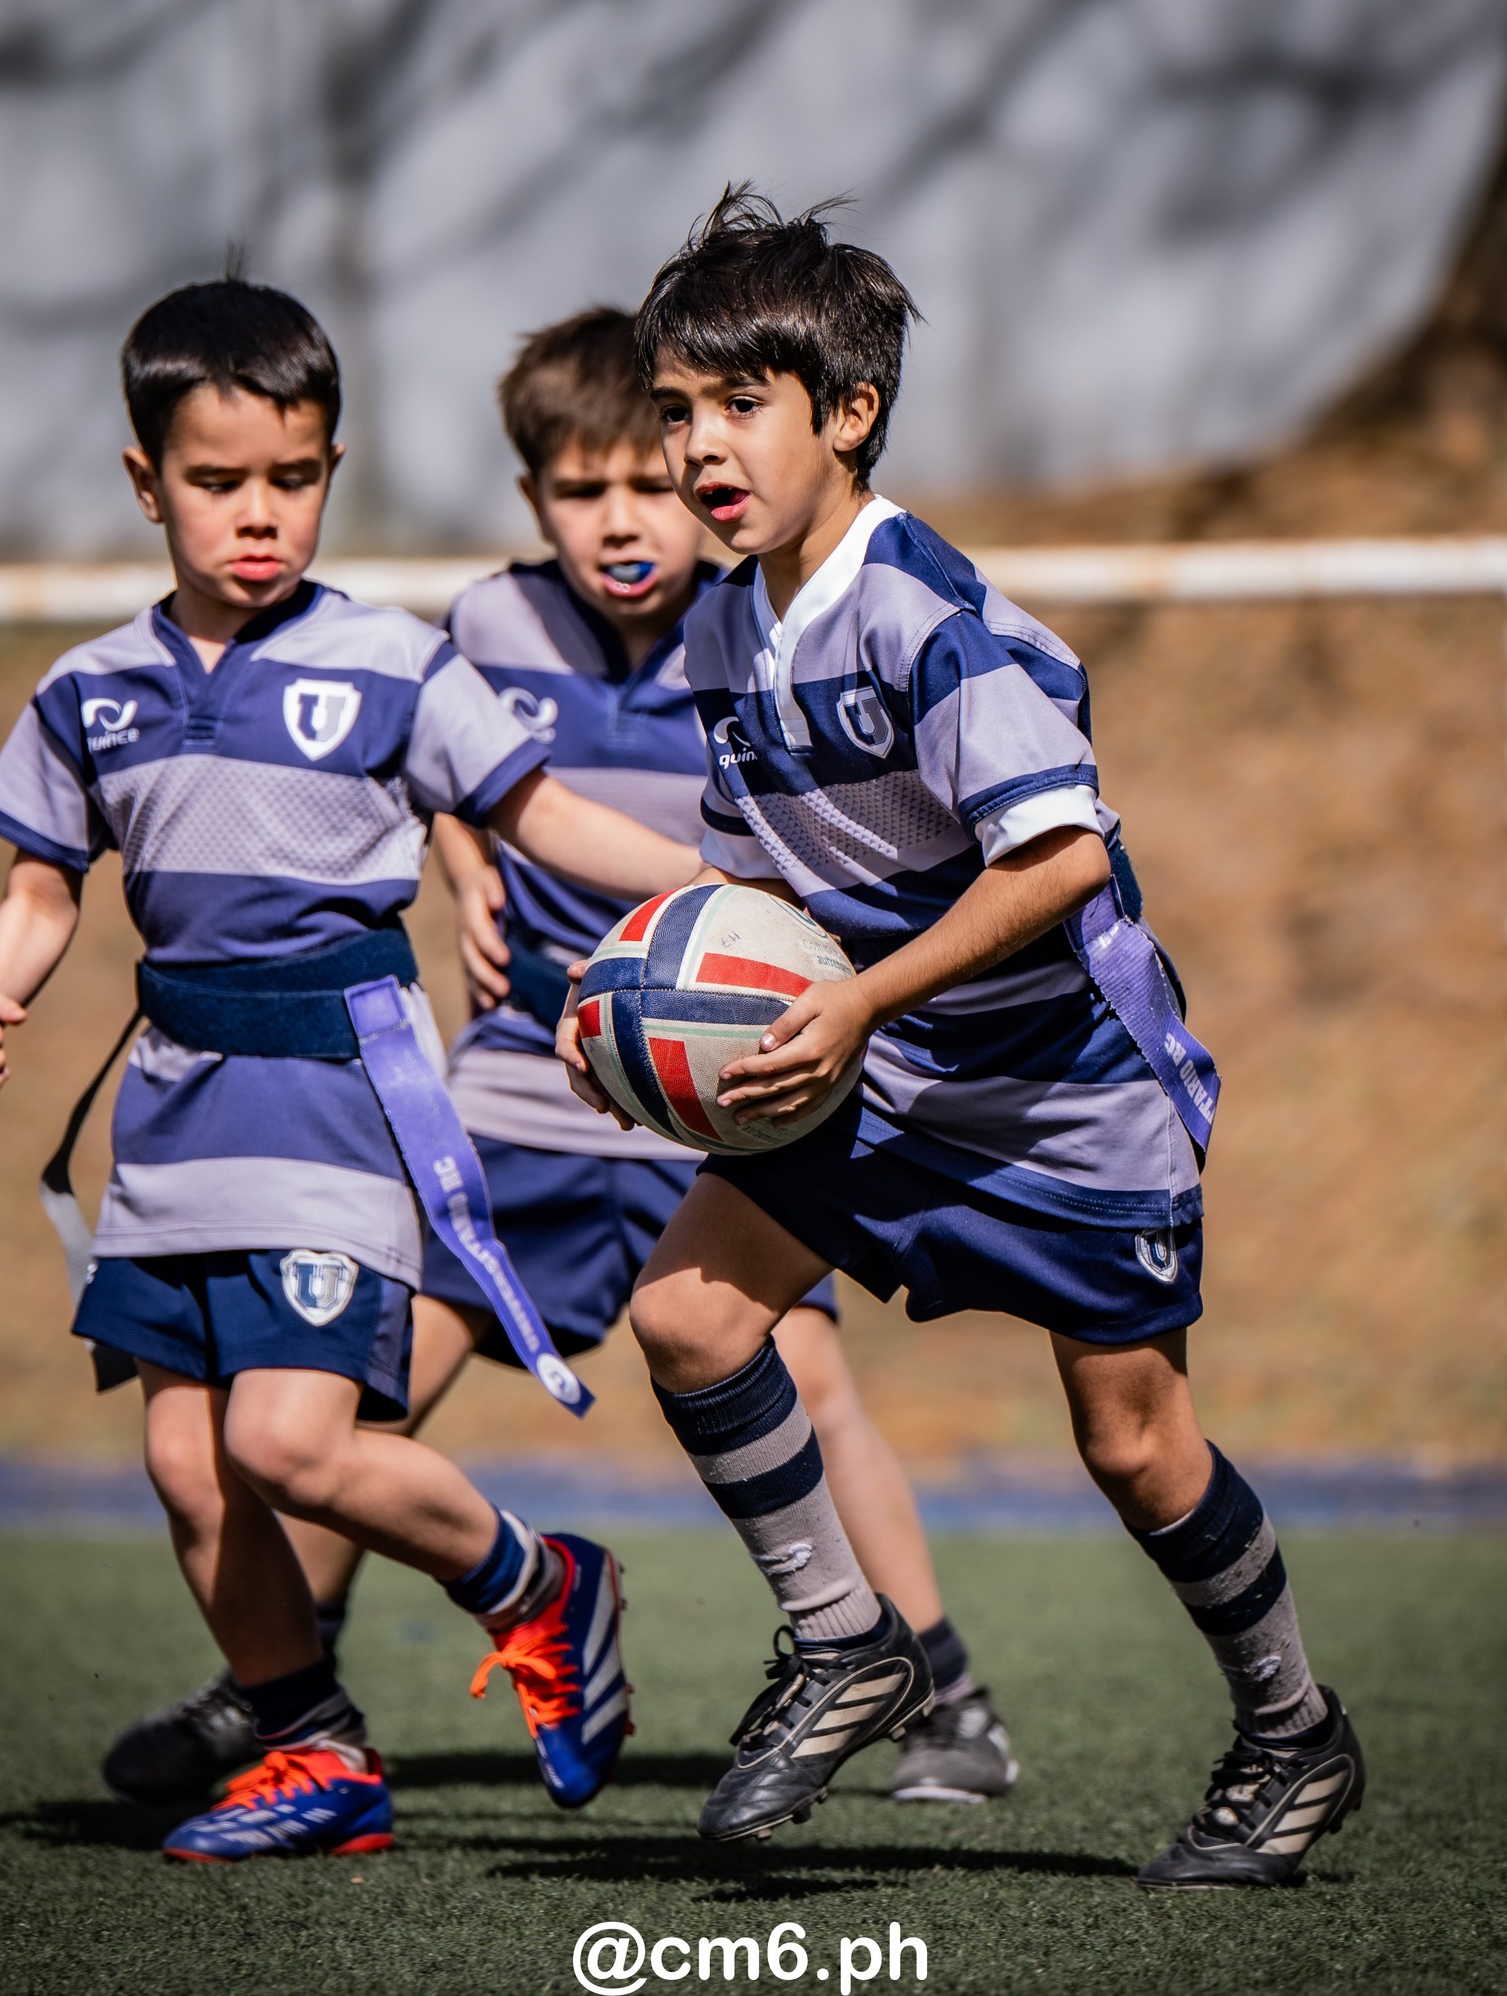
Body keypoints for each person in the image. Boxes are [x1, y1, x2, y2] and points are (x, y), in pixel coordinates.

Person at [101, 307, 1018, 1814]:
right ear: (534, 499)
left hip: (709, 1124)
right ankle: (277, 1682)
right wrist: (462, 875)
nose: (620, 524)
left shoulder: (760, 632)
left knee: (807, 1383)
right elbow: (440, 766)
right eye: (579, 495)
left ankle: (944, 1692)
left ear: (693, 471)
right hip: (519, 1093)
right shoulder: (485, 629)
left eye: (647, 487)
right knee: (351, 1397)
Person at [558, 190, 1367, 1882]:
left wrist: (852, 998)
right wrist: (623, 1016)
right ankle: (850, 1641)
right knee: (691, 1315)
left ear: (848, 416)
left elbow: (1064, 857)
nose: (700, 449)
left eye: (740, 409)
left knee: (1134, 1442)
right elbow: (743, 884)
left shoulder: (918, 615)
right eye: (679, 411)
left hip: (1066, 1088)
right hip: (886, 1066)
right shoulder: (727, 623)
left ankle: (1294, 1736)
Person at [0, 278, 699, 1862]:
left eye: (292, 479)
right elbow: (37, 888)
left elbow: (540, 813)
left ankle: (542, 1585)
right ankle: (319, 1753)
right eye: (219, 484)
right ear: (149, 483)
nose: (258, 514)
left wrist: (716, 897)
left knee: (287, 1446)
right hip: (170, 1113)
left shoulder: (391, 665)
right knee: (188, 1467)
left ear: (329, 470)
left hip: (337, 1102)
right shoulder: (93, 689)